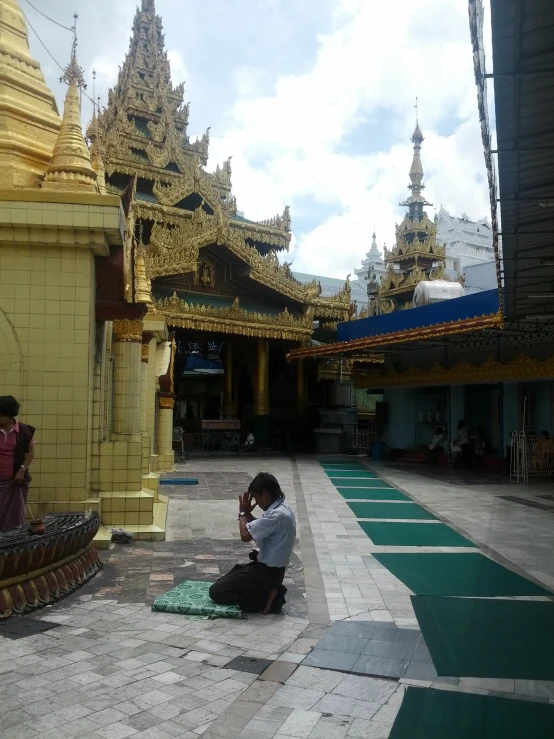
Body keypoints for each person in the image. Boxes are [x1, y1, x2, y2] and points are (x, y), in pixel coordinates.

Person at [209, 472, 296, 614]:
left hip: (267, 573)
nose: (256, 503)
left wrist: (243, 513)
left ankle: (266, 597)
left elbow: (245, 536)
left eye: (256, 498)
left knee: (216, 591)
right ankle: (267, 590)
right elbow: (260, 526)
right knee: (225, 580)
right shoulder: (283, 509)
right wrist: (248, 514)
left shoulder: (277, 515)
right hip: (271, 569)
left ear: (265, 494)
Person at [0, 396, 35, 533]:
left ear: (10, 416)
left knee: (14, 515)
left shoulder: (24, 431)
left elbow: (31, 452)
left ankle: (13, 544)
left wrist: (22, 469)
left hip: (14, 481)